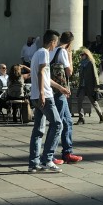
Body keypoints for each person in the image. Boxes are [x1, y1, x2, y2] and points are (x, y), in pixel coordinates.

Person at [28, 29, 67, 173]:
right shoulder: (44, 53)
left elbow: (45, 76)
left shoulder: (36, 53)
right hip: (44, 96)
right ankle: (47, 159)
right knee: (57, 124)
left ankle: (33, 163)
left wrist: (60, 88)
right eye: (55, 43)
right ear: (52, 42)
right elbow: (40, 73)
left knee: (38, 130)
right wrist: (43, 93)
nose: (55, 46)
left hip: (35, 96)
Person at [50, 31, 83, 164]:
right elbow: (69, 72)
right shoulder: (63, 52)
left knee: (66, 122)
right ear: (70, 42)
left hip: (54, 90)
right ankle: (51, 154)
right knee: (59, 123)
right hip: (60, 91)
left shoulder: (52, 51)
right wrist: (70, 57)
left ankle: (67, 152)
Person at [76, 48, 103, 124]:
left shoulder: (91, 63)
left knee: (94, 102)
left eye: (82, 55)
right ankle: (81, 118)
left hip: (90, 86)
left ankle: (101, 115)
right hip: (82, 86)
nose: (81, 56)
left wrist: (96, 86)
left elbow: (95, 75)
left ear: (86, 55)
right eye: (81, 55)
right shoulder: (82, 64)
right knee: (79, 101)